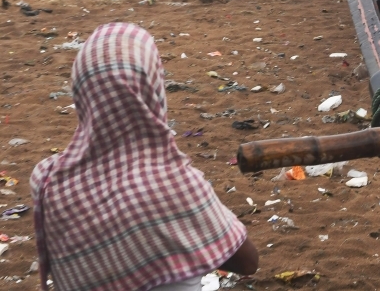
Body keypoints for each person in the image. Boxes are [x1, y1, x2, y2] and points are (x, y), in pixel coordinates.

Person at [31, 23, 258, 290]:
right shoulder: (172, 182)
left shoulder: (49, 182)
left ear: (82, 92)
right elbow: (247, 262)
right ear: (152, 88)